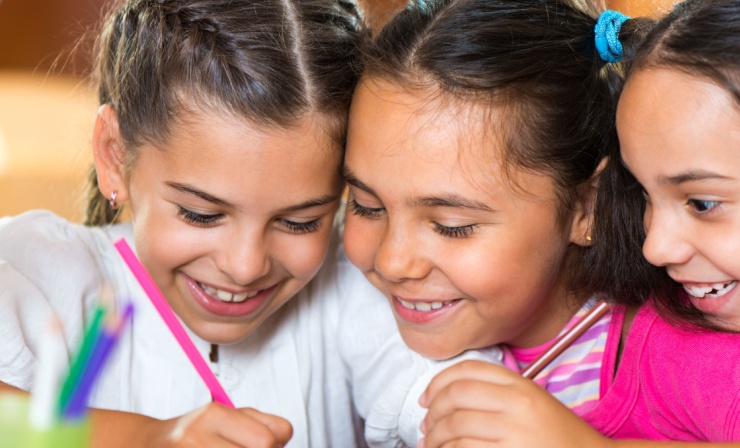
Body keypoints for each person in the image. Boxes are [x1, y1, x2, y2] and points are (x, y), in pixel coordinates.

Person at [342, 0, 740, 446]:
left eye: (451, 224)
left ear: (587, 207)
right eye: (365, 205)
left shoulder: (690, 345)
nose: (654, 246)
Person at [0, 0, 471, 446]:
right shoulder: (39, 275)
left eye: (300, 222)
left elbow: (446, 403)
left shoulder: (353, 288)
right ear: (114, 155)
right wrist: (145, 438)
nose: (245, 267)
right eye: (201, 214)